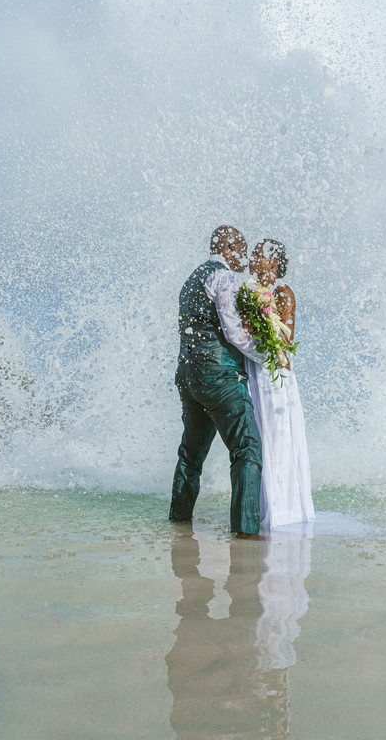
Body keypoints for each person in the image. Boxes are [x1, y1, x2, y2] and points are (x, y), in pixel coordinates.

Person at [169, 225, 266, 538]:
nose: (245, 258)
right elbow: (233, 331)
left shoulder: (191, 279)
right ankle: (246, 532)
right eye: (242, 250)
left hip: (187, 375)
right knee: (247, 448)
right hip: (218, 375)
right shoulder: (224, 277)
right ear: (228, 248)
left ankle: (179, 522)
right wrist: (267, 356)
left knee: (190, 456)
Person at [245, 240, 315, 528]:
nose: (251, 258)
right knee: (259, 438)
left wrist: (250, 325)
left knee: (277, 437)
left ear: (273, 262)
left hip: (274, 375)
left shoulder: (283, 292)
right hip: (254, 370)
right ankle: (261, 505)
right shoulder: (250, 290)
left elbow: (285, 340)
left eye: (258, 254)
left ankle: (282, 512)